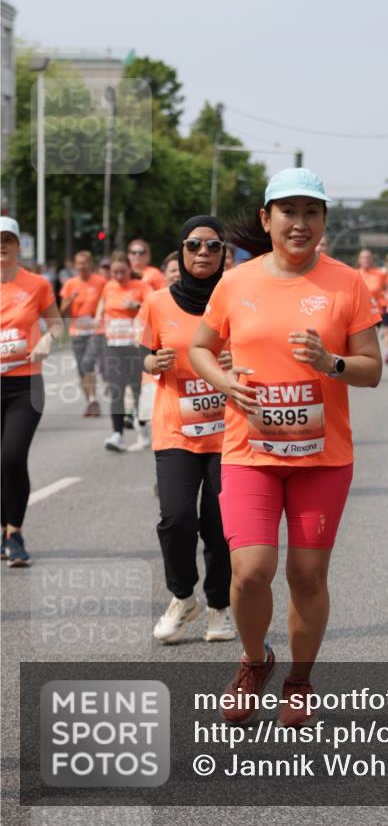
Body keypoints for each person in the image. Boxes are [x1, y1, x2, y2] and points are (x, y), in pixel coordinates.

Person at [190, 167, 382, 726]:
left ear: (323, 220)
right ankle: (255, 661)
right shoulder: (236, 282)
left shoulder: (346, 283)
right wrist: (223, 383)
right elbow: (203, 347)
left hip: (322, 459)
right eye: (289, 212)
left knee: (306, 575)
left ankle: (299, 680)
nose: (300, 224)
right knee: (250, 571)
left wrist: (332, 363)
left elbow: (370, 371)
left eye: (312, 213)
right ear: (266, 219)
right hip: (250, 450)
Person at [139, 215, 235, 644]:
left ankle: (219, 606)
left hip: (229, 431)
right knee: (176, 518)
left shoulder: (237, 298)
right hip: (175, 430)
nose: (203, 253)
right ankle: (183, 597)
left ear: (223, 255)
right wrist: (152, 363)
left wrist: (238, 364)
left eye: (213, 246)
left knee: (218, 525)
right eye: (194, 245)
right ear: (182, 250)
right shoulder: (158, 302)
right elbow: (144, 356)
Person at [0, 217, 63, 566]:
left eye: (8, 239)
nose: (2, 245)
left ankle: (16, 532)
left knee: (11, 457)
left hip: (25, 385)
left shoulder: (35, 284)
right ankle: (4, 531)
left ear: (17, 245)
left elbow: (55, 324)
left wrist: (47, 342)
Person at [96, 251, 151, 451]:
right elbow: (103, 301)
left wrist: (136, 305)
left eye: (122, 272)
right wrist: (98, 315)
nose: (118, 277)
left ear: (130, 269)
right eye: (115, 272)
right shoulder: (108, 286)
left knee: (137, 390)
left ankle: (143, 430)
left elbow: (153, 308)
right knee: (116, 390)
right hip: (113, 346)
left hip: (135, 347)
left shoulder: (141, 286)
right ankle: (117, 434)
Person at [59, 250, 107, 417]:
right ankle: (90, 402)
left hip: (96, 331)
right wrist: (69, 300)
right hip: (76, 331)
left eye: (84, 263)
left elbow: (108, 302)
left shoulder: (100, 282)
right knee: (81, 370)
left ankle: (93, 399)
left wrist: (100, 316)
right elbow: (61, 311)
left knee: (88, 363)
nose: (81, 267)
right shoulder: (70, 284)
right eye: (78, 264)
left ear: (90, 264)